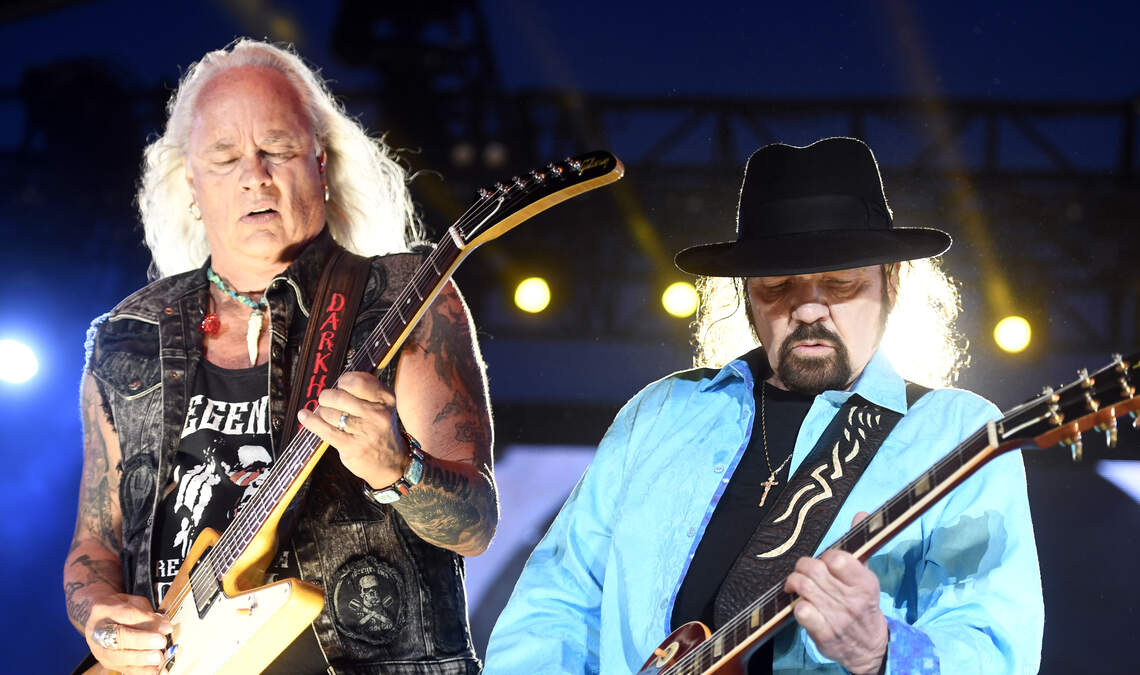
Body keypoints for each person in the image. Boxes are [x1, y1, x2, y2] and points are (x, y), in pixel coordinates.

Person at [484, 138, 1042, 674]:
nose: (808, 309)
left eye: (839, 283)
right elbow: (556, 606)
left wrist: (882, 653)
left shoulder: (957, 433)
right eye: (778, 286)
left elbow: (995, 644)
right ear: (745, 294)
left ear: (890, 284)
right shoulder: (660, 413)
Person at [64, 39, 495, 674]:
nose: (254, 175)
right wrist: (100, 617)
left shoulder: (405, 298)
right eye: (225, 157)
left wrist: (399, 471)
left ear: (321, 162)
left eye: (279, 149)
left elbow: (475, 525)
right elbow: (94, 546)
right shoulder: (129, 336)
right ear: (192, 184)